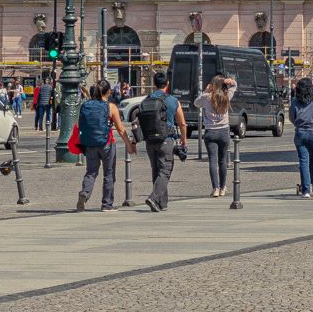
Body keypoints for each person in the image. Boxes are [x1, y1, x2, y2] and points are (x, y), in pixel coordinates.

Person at [129, 69, 187, 212]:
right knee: (165, 171)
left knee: (156, 171)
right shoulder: (173, 100)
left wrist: (134, 142)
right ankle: (154, 198)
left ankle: (162, 203)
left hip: (150, 141)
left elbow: (139, 122)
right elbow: (182, 123)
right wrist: (183, 140)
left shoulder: (145, 100)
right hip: (166, 140)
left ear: (154, 84)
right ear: (167, 84)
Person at [75, 80, 130, 211]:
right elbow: (121, 129)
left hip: (89, 143)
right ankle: (107, 204)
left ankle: (85, 192)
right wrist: (129, 144)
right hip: (107, 143)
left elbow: (79, 125)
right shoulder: (110, 106)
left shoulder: (85, 105)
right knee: (109, 174)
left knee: (91, 172)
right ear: (108, 92)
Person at [196, 73, 237, 198]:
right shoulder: (226, 96)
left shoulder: (207, 97)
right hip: (224, 131)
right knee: (222, 161)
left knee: (212, 161)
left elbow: (196, 103)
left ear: (213, 85)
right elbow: (234, 86)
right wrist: (231, 81)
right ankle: (223, 187)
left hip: (210, 132)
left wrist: (205, 90)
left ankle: (215, 189)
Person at [288, 77, 313, 198]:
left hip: (301, 133)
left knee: (303, 161)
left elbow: (291, 117)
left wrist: (298, 124)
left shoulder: (295, 102)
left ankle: (305, 191)